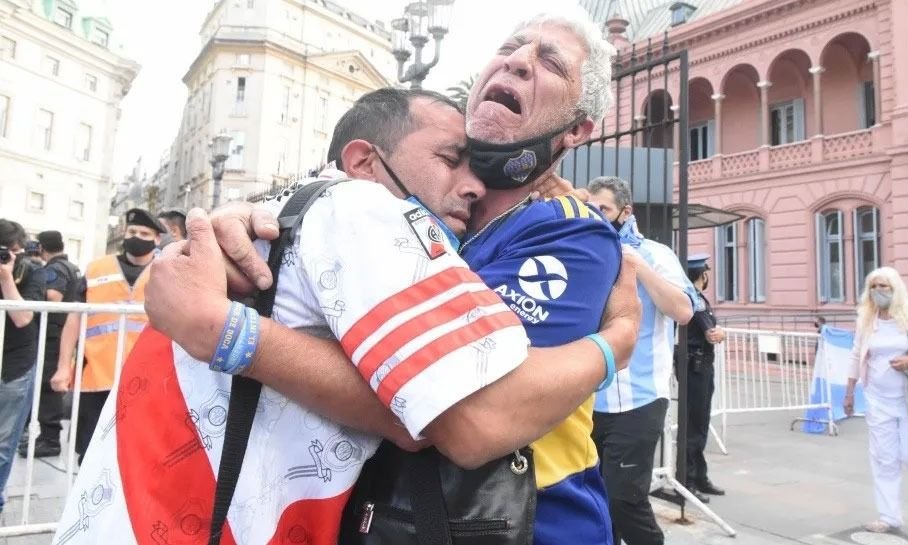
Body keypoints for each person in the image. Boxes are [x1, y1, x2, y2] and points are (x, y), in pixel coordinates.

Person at [54, 86, 637, 544]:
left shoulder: (290, 211)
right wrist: (617, 340)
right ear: (363, 160)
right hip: (199, 517)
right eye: (451, 160)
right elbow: (460, 418)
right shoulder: (366, 207)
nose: (472, 187)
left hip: (135, 507)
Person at [586, 176, 694, 545]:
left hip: (640, 398)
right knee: (593, 502)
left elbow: (683, 311)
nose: (596, 216)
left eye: (605, 209)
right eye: (591, 208)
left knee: (624, 499)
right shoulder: (586, 252)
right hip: (588, 397)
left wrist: (637, 267)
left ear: (625, 213)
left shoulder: (655, 253)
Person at [50, 209, 164, 464]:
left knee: (136, 458)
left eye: (144, 233)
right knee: (90, 456)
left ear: (157, 239)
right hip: (97, 377)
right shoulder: (96, 268)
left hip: (146, 380)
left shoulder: (167, 270)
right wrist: (62, 367)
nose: (136, 236)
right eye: (132, 232)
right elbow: (74, 319)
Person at [843, 267, 908, 533]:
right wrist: (850, 390)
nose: (879, 291)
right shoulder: (867, 320)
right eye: (874, 286)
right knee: (883, 458)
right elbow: (857, 355)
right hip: (877, 399)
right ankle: (889, 517)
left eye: (884, 286)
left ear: (895, 288)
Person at [16, 231, 81, 458]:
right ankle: (48, 436)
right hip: (60, 332)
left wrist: (32, 287)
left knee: (48, 385)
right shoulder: (71, 267)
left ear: (42, 248)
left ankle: (50, 438)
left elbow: (54, 295)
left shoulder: (55, 268)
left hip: (54, 333)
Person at [0, 220, 45, 515]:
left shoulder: (31, 271)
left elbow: (23, 318)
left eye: (11, 252)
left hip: (14, 367)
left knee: (2, 444)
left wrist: (5, 279)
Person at [682, 253, 725, 503]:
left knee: (699, 423)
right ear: (703, 275)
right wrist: (721, 333)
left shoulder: (697, 298)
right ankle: (689, 479)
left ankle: (699, 475)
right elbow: (712, 334)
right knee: (695, 426)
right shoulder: (694, 299)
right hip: (696, 367)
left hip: (698, 366)